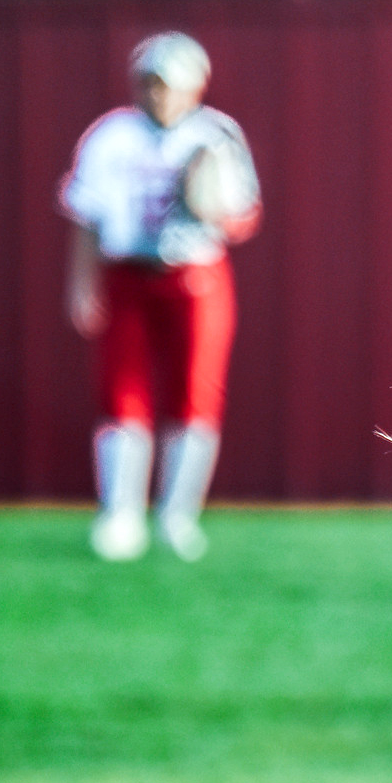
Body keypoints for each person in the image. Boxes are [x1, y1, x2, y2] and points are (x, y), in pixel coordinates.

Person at [60, 31, 261, 562]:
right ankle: (120, 515)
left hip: (195, 276)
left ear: (194, 86)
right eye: (150, 83)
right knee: (121, 393)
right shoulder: (110, 136)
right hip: (126, 274)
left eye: (169, 85)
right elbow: (87, 216)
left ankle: (177, 515)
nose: (159, 95)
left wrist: (209, 202)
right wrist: (82, 283)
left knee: (195, 394)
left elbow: (244, 215)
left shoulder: (216, 135)